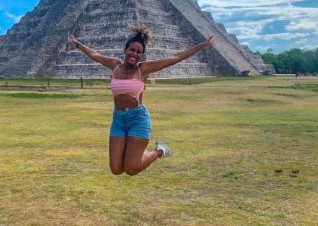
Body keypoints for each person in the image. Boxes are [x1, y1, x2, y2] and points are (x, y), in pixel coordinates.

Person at [68, 25, 214, 176]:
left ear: (142, 55)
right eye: (132, 50)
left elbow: (174, 58)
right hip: (118, 120)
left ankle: (160, 151)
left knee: (131, 169)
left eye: (139, 52)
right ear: (125, 50)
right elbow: (95, 55)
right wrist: (77, 44)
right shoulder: (114, 65)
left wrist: (201, 46)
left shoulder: (143, 69)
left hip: (138, 119)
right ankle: (135, 151)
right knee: (116, 169)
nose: (135, 54)